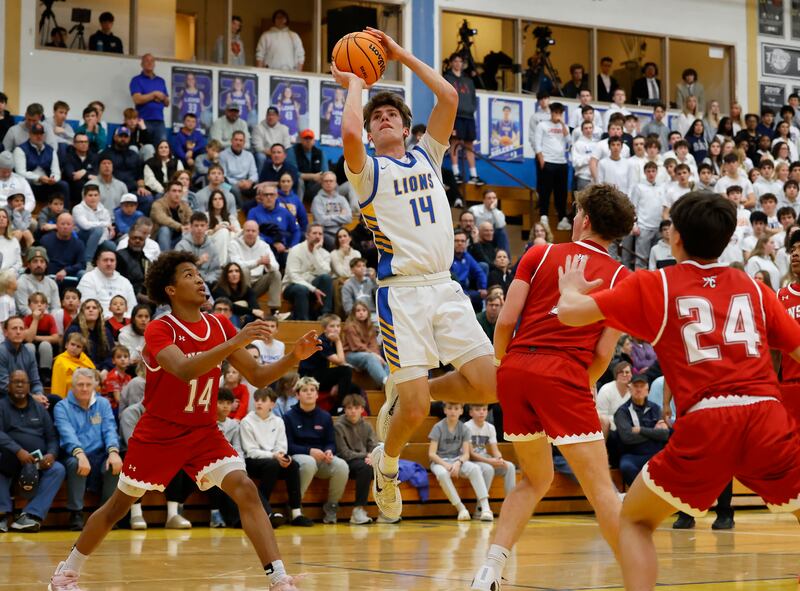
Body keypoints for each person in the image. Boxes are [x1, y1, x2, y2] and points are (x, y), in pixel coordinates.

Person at [556, 191, 800, 590]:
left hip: (707, 418)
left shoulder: (657, 283)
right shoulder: (753, 288)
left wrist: (569, 287)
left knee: (634, 521)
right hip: (765, 414)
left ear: (676, 238)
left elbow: (570, 314)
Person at [48, 251, 319, 590]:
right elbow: (184, 369)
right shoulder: (160, 328)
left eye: (198, 273)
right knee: (118, 505)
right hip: (160, 432)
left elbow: (258, 375)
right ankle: (66, 572)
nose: (199, 279)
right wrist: (236, 340)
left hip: (203, 431)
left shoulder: (219, 324)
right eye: (189, 275)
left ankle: (279, 579)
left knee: (245, 489)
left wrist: (294, 356)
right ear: (171, 289)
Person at [334, 27, 496, 523]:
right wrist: (357, 84)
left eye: (391, 116)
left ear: (406, 128)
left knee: (491, 387)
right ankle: (386, 466)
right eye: (376, 118)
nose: (383, 120)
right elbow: (348, 134)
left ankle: (409, 395)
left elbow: (447, 95)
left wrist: (399, 54)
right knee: (413, 412)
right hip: (400, 293)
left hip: (445, 287)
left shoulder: (428, 155)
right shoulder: (366, 173)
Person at [470, 184, 634, 591]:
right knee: (602, 492)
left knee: (535, 479)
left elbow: (505, 320)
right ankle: (639, 580)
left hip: (516, 369)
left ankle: (488, 569)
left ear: (586, 220)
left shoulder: (540, 252)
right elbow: (601, 353)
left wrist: (500, 364)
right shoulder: (621, 277)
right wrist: (584, 384)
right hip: (563, 372)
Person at [53, 368, 121, 531]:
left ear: (95, 386)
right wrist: (80, 454)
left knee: (115, 465)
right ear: (72, 386)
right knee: (76, 464)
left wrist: (113, 452)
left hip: (99, 452)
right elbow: (67, 434)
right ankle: (76, 513)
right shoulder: (62, 406)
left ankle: (106, 513)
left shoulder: (103, 404)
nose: (84, 388)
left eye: (88, 385)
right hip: (74, 453)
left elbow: (110, 429)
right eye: (80, 384)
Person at [0, 369, 65, 532]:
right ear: (8, 386)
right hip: (9, 459)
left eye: (24, 382)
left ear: (29, 386)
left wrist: (51, 454)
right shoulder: (1, 406)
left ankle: (31, 515)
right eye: (16, 382)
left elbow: (52, 438)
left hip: (37, 462)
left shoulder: (39, 408)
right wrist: (17, 450)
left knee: (58, 469)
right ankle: (2, 514)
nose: (20, 385)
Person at [240, 387, 311, 528]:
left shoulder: (278, 421)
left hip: (274, 460)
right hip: (254, 461)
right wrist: (274, 456)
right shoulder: (246, 422)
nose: (259, 403)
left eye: (263, 400)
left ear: (272, 404)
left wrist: (282, 456)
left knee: (293, 465)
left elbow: (281, 445)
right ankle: (263, 512)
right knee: (272, 465)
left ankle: (296, 512)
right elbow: (250, 450)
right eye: (257, 400)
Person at [283, 376, 348, 523]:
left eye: (312, 390)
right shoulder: (288, 417)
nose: (309, 393)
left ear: (317, 394)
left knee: (341, 466)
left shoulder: (325, 416)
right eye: (305, 390)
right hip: (300, 457)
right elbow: (287, 446)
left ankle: (331, 506)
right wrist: (309, 451)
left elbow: (330, 442)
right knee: (309, 462)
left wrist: (329, 451)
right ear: (298, 395)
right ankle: (295, 505)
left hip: (322, 458)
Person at [429, 401, 492, 520]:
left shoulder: (464, 428)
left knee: (475, 468)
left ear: (461, 411)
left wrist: (458, 463)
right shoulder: (438, 427)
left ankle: (486, 508)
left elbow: (466, 454)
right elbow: (432, 454)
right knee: (442, 474)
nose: (453, 411)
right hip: (439, 462)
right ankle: (461, 508)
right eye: (450, 408)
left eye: (456, 408)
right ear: (445, 410)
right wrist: (446, 465)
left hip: (457, 460)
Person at [613, 375, 669, 486]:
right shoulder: (622, 412)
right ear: (630, 389)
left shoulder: (656, 408)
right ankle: (642, 495)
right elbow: (627, 437)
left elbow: (665, 434)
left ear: (647, 389)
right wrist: (653, 432)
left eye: (642, 386)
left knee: (673, 465)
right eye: (635, 386)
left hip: (656, 453)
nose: (639, 389)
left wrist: (639, 430)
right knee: (626, 466)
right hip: (633, 454)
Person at [334, 393, 378, 524]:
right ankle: (358, 510)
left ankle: (385, 511)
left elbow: (373, 445)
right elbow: (345, 453)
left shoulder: (367, 426)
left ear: (362, 409)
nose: (353, 411)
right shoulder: (338, 426)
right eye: (349, 408)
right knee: (365, 468)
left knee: (384, 467)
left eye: (356, 408)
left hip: (365, 460)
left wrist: (372, 456)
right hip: (347, 462)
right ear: (345, 410)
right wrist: (367, 455)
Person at [444, 54, 482, 185]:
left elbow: (473, 98)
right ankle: (456, 173)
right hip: (455, 115)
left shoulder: (468, 80)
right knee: (454, 144)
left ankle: (473, 175)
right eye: (455, 61)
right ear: (451, 63)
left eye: (460, 61)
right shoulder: (447, 78)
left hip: (469, 117)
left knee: (469, 145)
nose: (458, 63)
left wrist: (471, 109)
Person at [229, 220, 282, 314]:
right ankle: (249, 307)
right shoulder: (234, 244)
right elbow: (236, 265)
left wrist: (268, 264)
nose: (250, 233)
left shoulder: (264, 245)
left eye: (253, 231)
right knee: (243, 270)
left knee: (276, 273)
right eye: (247, 230)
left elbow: (276, 266)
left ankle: (274, 311)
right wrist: (257, 262)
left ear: (258, 232)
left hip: (258, 283)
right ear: (243, 231)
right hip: (240, 285)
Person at [465, 402, 516, 499]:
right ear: (471, 413)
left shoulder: (490, 427)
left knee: (509, 466)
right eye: (478, 410)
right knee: (488, 469)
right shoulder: (466, 427)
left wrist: (499, 459)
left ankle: (510, 502)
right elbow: (470, 454)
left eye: (484, 410)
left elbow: (495, 450)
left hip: (485, 459)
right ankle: (481, 508)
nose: (481, 413)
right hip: (470, 461)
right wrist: (489, 461)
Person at [282, 224, 333, 320]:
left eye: (320, 234)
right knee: (301, 289)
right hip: (292, 286)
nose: (317, 236)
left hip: (312, 286)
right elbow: (294, 276)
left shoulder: (325, 253)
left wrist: (316, 252)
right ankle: (304, 320)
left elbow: (325, 272)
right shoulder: (296, 250)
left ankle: (325, 315)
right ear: (307, 235)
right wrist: (313, 289)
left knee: (326, 278)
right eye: (314, 233)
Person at [13, 122, 69, 206]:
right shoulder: (20, 149)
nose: (39, 136)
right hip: (30, 184)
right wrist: (38, 178)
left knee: (63, 185)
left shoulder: (50, 150)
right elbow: (20, 172)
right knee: (22, 182)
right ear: (30, 134)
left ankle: (65, 213)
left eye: (41, 134)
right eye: (35, 134)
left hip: (47, 184)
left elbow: (56, 171)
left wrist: (53, 179)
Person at [342, 301, 389, 387]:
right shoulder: (350, 326)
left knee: (388, 363)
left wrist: (377, 355)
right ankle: (384, 383)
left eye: (364, 310)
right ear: (353, 313)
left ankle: (388, 384)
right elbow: (357, 346)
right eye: (358, 311)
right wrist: (375, 355)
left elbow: (374, 345)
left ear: (367, 312)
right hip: (351, 354)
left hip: (368, 354)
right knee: (371, 357)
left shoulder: (370, 327)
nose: (361, 313)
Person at [129, 54, 170, 144]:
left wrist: (162, 97)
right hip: (143, 120)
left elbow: (167, 103)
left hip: (159, 121)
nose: (149, 63)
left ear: (154, 64)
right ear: (142, 64)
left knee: (162, 148)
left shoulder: (161, 81)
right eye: (147, 61)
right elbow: (137, 99)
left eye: (152, 61)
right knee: (145, 147)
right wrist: (154, 94)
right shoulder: (136, 80)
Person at [176, 212, 222, 286]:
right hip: (189, 283)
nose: (199, 228)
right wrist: (198, 262)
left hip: (208, 282)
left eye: (202, 225)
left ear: (207, 227)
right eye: (196, 225)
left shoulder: (212, 246)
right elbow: (180, 270)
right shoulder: (182, 246)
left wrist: (206, 281)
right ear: (191, 227)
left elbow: (216, 270)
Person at [311, 171, 352, 249]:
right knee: (338, 246)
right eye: (326, 181)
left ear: (335, 183)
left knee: (355, 244)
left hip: (341, 233)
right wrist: (340, 216)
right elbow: (321, 221)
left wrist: (329, 216)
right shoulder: (317, 199)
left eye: (331, 181)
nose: (328, 183)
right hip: (325, 233)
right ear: (322, 183)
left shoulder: (342, 199)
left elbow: (349, 218)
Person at [16, 246, 60, 316]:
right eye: (35, 261)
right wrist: (39, 319)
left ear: (46, 265)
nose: (39, 265)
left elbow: (56, 307)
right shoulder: (21, 282)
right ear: (28, 265)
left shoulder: (51, 283)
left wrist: (48, 320)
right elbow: (23, 308)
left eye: (42, 261)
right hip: (28, 320)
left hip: (48, 319)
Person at [151, 180, 192, 252]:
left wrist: (189, 226)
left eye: (179, 191)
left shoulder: (184, 205)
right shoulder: (158, 204)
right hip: (159, 240)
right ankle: (165, 259)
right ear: (167, 193)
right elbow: (162, 218)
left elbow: (191, 218)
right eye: (174, 191)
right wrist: (180, 226)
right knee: (164, 229)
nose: (177, 194)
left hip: (178, 238)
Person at [219, 130, 258, 207]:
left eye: (241, 140)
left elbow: (254, 173)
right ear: (231, 141)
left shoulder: (249, 155)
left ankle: (254, 210)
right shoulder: (223, 155)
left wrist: (249, 181)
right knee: (234, 189)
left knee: (258, 188)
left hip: (245, 183)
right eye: (236, 140)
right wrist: (237, 183)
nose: (238, 143)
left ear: (244, 143)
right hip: (228, 183)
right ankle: (242, 209)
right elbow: (223, 176)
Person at [288, 129, 327, 199]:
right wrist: (313, 176)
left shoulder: (320, 153)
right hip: (297, 185)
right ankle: (298, 206)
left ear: (314, 141)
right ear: (301, 140)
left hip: (314, 185)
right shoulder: (293, 151)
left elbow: (325, 172)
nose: (308, 141)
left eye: (310, 138)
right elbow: (293, 173)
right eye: (305, 138)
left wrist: (321, 177)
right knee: (299, 180)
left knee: (329, 181)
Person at [469, 190, 510, 255]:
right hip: (477, 233)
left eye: (494, 198)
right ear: (484, 200)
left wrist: (493, 209)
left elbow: (500, 226)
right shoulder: (474, 209)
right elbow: (470, 224)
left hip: (491, 236)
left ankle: (505, 258)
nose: (492, 200)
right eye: (489, 198)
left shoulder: (499, 213)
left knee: (502, 233)